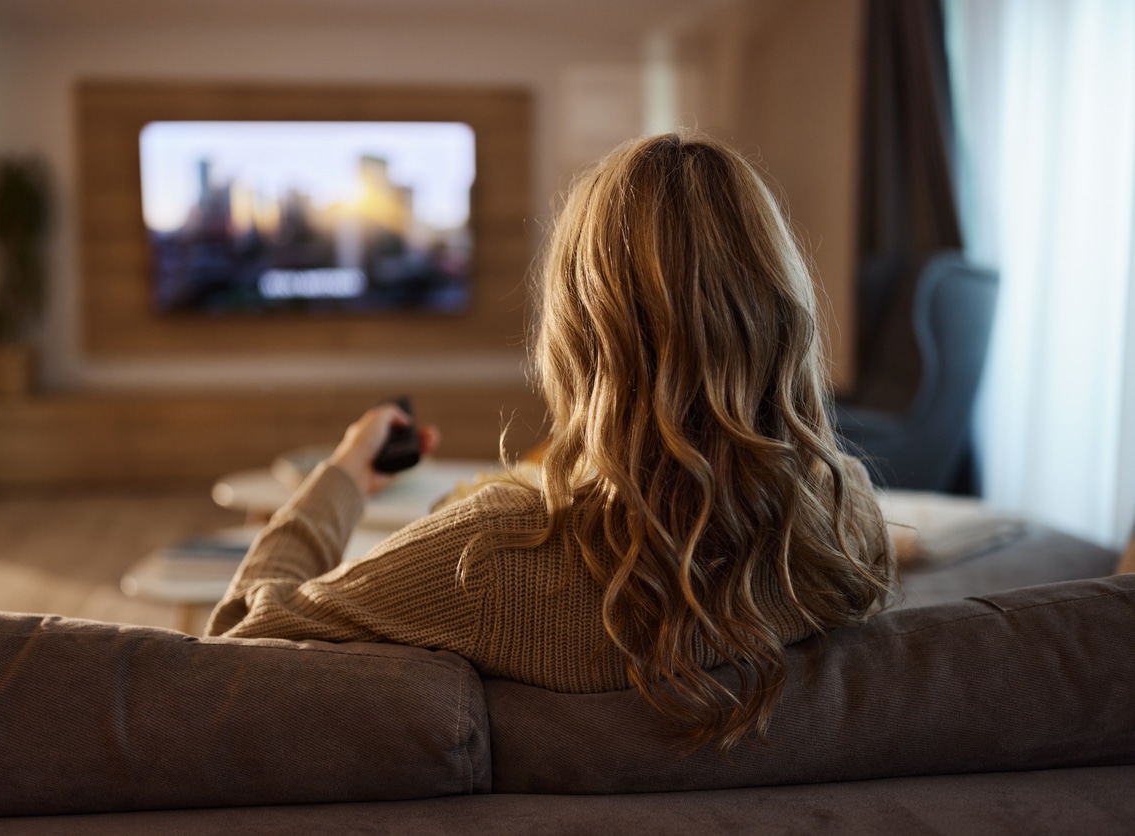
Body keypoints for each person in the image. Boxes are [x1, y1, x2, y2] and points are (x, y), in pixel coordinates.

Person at [207, 132, 894, 752]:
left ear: (584, 327)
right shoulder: (848, 520)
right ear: (779, 308)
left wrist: (343, 474)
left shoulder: (491, 553)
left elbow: (236, 648)